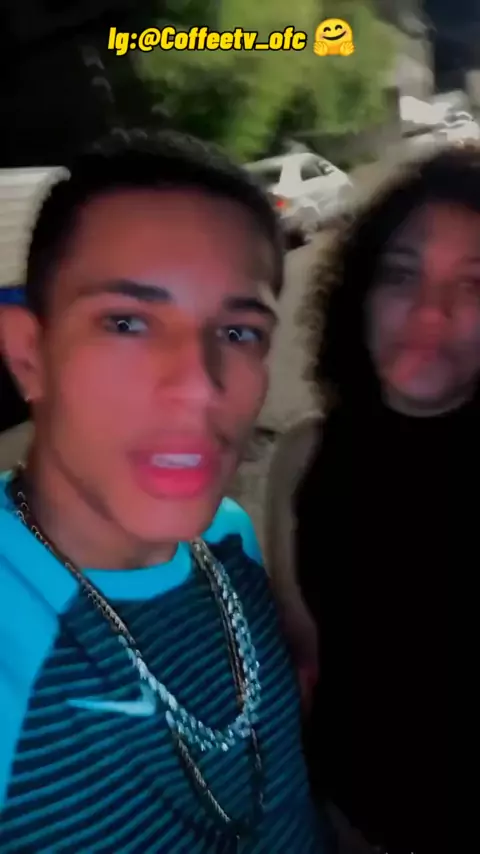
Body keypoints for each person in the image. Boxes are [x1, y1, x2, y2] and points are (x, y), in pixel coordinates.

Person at [0, 131, 325, 853]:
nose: (200, 386)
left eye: (238, 332)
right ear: (27, 354)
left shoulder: (229, 538)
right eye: (127, 322)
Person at [266, 145, 480, 854]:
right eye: (401, 273)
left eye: (474, 283)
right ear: (359, 291)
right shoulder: (303, 458)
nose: (429, 311)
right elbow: (309, 657)